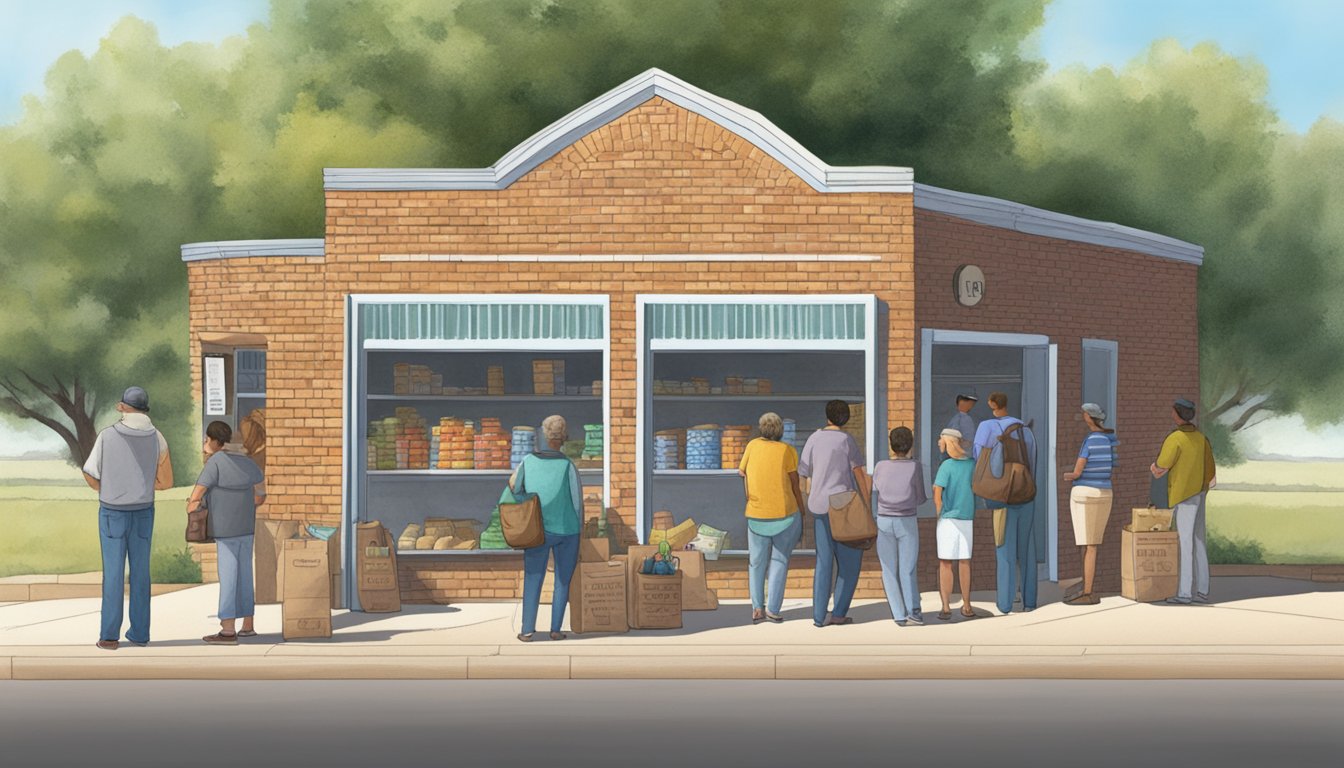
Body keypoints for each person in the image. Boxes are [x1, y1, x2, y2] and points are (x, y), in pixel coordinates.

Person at [81, 386, 174, 651]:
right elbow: (166, 482)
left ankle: (109, 636)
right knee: (141, 573)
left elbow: (89, 473)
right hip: (144, 511)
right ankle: (140, 633)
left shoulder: (107, 436)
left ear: (122, 407)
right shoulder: (158, 437)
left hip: (112, 512)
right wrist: (141, 484)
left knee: (113, 574)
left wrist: (110, 488)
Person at [187, 421, 266, 644]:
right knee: (245, 575)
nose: (204, 443)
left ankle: (228, 629)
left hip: (225, 529)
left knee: (229, 576)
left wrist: (191, 506)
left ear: (214, 441)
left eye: (206, 439)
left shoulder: (216, 462)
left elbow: (196, 495)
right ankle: (248, 625)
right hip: (246, 527)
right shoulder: (248, 462)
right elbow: (260, 495)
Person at [510, 414, 583, 641]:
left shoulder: (528, 462)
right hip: (567, 529)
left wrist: (527, 498)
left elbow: (514, 487)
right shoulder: (567, 466)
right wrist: (580, 527)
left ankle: (527, 629)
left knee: (533, 577)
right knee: (562, 579)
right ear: (564, 438)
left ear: (543, 434)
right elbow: (577, 503)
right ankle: (555, 629)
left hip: (536, 529)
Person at [798, 400, 869, 628]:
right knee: (849, 563)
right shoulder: (847, 440)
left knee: (824, 561)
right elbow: (859, 474)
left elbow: (803, 474)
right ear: (846, 419)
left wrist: (809, 495)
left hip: (819, 506)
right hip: (844, 506)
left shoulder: (813, 439)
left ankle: (819, 616)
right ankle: (838, 613)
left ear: (827, 416)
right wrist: (866, 505)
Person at [738, 411, 807, 624]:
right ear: (780, 431)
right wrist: (802, 509)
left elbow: (742, 472)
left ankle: (757, 608)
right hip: (785, 514)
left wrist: (750, 491)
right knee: (779, 560)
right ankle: (773, 609)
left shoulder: (751, 446)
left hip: (756, 514)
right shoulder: (787, 450)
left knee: (756, 562)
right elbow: (795, 483)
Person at [973, 392, 1039, 615]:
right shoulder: (1025, 429)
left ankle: (1005, 603)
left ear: (992, 404)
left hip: (1002, 498)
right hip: (1026, 494)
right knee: (1027, 549)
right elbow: (1033, 462)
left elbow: (978, 458)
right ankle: (1030, 601)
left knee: (1004, 548)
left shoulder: (986, 427)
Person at [1150, 398, 1217, 605]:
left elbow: (1162, 465)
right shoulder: (1201, 438)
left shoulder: (1175, 438)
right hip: (1200, 494)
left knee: (1185, 542)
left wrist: (1154, 469)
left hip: (1183, 496)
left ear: (1177, 414)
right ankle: (1203, 589)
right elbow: (1211, 472)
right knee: (1198, 541)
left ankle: (1185, 593)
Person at [1062, 403, 1118, 606]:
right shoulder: (1108, 439)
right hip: (1105, 493)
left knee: (1086, 544)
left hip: (1085, 493)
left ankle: (1087, 591)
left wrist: (1065, 475)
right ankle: (1087, 586)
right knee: (1093, 543)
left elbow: (1077, 471)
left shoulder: (1090, 440)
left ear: (1089, 417)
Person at [871, 426, 927, 625]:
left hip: (884, 520)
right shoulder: (915, 467)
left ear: (891, 445)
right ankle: (913, 610)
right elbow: (920, 498)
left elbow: (874, 494)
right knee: (907, 567)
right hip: (907, 520)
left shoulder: (879, 466)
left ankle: (898, 614)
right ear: (910, 444)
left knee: (888, 568)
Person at [933, 428, 976, 621]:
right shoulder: (971, 465)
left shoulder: (946, 466)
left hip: (948, 519)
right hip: (967, 517)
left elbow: (937, 493)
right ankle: (967, 605)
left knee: (945, 563)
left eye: (941, 440)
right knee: (965, 562)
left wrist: (938, 513)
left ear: (948, 442)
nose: (939, 443)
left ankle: (946, 606)